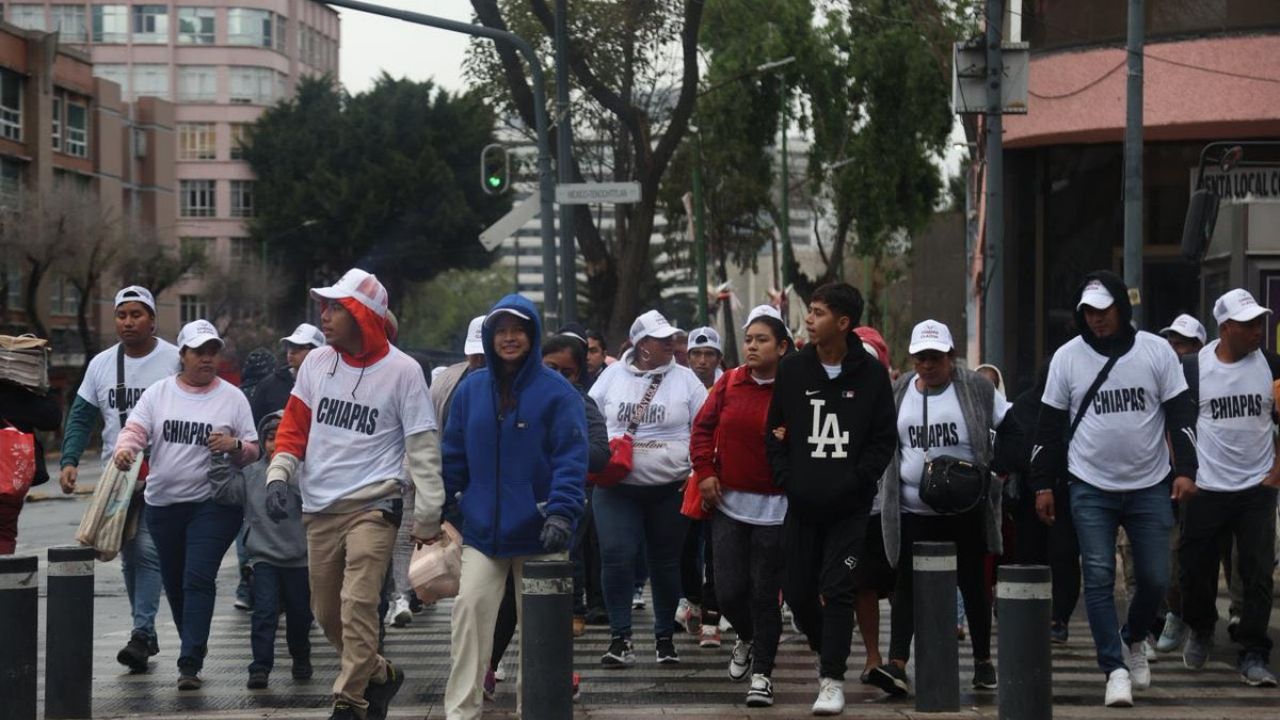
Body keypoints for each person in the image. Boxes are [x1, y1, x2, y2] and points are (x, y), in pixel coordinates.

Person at [266, 268, 445, 720]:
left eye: (335, 308)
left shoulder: (404, 371)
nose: (324, 316)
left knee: (358, 602)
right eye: (324, 306)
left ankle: (349, 699)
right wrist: (278, 474)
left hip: (376, 504)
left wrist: (427, 518)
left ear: (362, 315)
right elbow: (293, 427)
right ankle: (380, 673)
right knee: (326, 612)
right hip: (321, 507)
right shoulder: (315, 364)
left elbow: (422, 448)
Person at [1031, 271, 1198, 708]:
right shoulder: (1066, 358)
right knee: (1100, 577)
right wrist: (1042, 484)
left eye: (1103, 311)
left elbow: (1180, 414)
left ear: (1122, 308)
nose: (1096, 320)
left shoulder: (1157, 351)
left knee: (1155, 577)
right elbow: (1047, 428)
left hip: (1150, 483)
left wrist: (1187, 470)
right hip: (1090, 484)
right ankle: (1115, 668)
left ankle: (1133, 637)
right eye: (1088, 312)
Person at [441, 295, 587, 719]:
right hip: (483, 532)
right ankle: (460, 712)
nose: (509, 338)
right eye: (501, 330)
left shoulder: (558, 392)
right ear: (489, 337)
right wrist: (446, 508)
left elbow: (571, 458)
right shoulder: (470, 391)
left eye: (518, 330)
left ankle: (539, 709)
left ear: (532, 336)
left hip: (543, 533)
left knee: (543, 634)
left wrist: (561, 511)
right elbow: (453, 455)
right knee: (469, 613)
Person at [765, 283, 897, 716]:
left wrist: (859, 481)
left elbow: (882, 441)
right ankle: (830, 647)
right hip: (802, 505)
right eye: (809, 311)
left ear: (843, 323)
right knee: (801, 594)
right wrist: (788, 479)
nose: (808, 319)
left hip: (849, 507)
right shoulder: (794, 370)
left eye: (818, 312)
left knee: (838, 590)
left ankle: (831, 680)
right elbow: (776, 433)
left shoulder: (871, 374)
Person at [870, 320, 1016, 696]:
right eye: (920, 357)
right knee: (907, 585)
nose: (927, 365)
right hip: (912, 508)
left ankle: (983, 660)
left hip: (964, 509)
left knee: (971, 583)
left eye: (935, 357)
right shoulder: (901, 389)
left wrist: (999, 471)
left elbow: (1011, 425)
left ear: (951, 357)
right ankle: (897, 663)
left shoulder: (977, 389)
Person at [112, 319, 260, 689]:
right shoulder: (159, 394)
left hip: (215, 505)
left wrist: (235, 446)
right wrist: (125, 449)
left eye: (212, 352)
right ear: (183, 355)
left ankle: (189, 661)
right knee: (176, 582)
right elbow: (135, 430)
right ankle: (194, 640)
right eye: (198, 352)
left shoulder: (232, 397)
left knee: (198, 576)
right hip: (164, 505)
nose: (207, 359)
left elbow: (254, 449)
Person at [59, 285, 178, 672]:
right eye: (121, 315)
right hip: (118, 475)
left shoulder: (174, 360)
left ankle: (142, 632)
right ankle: (146, 632)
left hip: (163, 473)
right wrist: (69, 459)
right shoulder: (101, 365)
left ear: (152, 319)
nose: (128, 322)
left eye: (136, 314)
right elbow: (81, 415)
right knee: (126, 554)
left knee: (146, 551)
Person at [589, 309, 708, 667]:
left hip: (669, 488)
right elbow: (591, 421)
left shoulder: (687, 381)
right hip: (616, 487)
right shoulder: (611, 377)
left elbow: (705, 427)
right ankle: (620, 638)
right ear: (642, 346)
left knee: (665, 561)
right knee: (616, 554)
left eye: (673, 338)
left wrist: (698, 471)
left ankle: (664, 638)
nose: (672, 344)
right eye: (662, 339)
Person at [691, 305, 792, 707]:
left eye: (761, 339)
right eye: (748, 339)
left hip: (779, 507)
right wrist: (705, 472)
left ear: (782, 347)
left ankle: (763, 675)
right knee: (729, 591)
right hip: (729, 502)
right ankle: (747, 637)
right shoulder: (730, 382)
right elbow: (702, 428)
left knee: (765, 593)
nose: (751, 346)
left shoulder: (796, 387)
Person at [1178, 289, 1279, 686]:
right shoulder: (1193, 368)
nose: (1259, 330)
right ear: (1225, 328)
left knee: (1256, 574)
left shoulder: (1271, 365)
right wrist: (1182, 471)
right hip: (1206, 487)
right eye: (1249, 324)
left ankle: (1254, 651)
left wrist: (1277, 473)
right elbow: (1177, 423)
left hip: (1256, 487)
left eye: (1260, 322)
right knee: (1193, 570)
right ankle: (1201, 627)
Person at [1007, 365, 1081, 645]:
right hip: (1028, 497)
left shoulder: (1075, 403)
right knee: (1029, 556)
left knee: (1064, 555)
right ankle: (1027, 612)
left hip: (1067, 492)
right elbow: (1012, 445)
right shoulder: (1025, 406)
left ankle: (1058, 617)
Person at [242, 411, 313, 689]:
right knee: (264, 612)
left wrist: (289, 479)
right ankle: (260, 666)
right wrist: (219, 458)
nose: (274, 445)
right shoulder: (251, 474)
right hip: (263, 557)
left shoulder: (305, 473)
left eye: (280, 437)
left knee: (300, 613)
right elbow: (226, 492)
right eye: (270, 438)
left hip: (299, 558)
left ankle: (301, 656)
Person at [849, 326, 898, 682]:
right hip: (856, 512)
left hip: (894, 510)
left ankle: (899, 658)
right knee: (862, 585)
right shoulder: (836, 397)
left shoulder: (900, 398)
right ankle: (872, 656)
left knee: (900, 585)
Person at [677, 325, 724, 647]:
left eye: (709, 354)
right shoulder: (677, 384)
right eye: (696, 354)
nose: (702, 361)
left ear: (718, 357)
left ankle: (711, 619)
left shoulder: (730, 384)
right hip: (684, 478)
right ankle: (692, 600)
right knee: (684, 548)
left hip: (718, 478)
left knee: (716, 552)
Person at [0, 375, 60, 553]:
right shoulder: (19, 390)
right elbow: (51, 419)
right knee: (4, 536)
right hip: (9, 480)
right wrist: (42, 384)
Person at [252, 323, 326, 424]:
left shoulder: (330, 385)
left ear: (318, 351)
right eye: (290, 345)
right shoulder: (269, 385)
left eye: (300, 347)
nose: (291, 351)